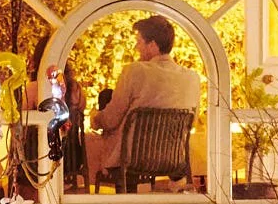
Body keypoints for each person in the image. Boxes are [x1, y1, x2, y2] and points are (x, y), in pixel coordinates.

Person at [82, 14, 199, 183]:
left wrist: (95, 118)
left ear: (152, 45)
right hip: (174, 160)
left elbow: (111, 119)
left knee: (92, 142)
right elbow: (192, 123)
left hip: (132, 161)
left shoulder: (135, 71)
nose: (136, 47)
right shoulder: (192, 78)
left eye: (139, 42)